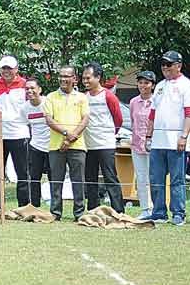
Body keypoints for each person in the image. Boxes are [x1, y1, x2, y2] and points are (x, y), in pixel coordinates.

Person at [144, 51, 189, 226]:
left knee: (177, 179)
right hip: (158, 140)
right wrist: (148, 136)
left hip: (176, 139)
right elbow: (152, 114)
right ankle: (159, 212)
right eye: (163, 64)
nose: (165, 67)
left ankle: (178, 213)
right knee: (156, 177)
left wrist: (184, 136)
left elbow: (188, 113)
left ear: (179, 65)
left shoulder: (186, 85)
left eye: (169, 64)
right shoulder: (161, 85)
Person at [44, 66, 89, 221]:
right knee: (56, 180)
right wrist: (66, 134)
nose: (63, 79)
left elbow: (85, 120)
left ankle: (79, 214)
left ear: (74, 79)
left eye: (67, 76)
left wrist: (70, 139)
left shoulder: (82, 97)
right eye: (61, 76)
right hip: (56, 146)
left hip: (77, 145)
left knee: (78, 181)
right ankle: (55, 213)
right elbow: (49, 120)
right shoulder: (50, 97)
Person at [0, 56, 30, 212]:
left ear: (16, 69)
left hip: (19, 133)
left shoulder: (25, 85)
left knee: (23, 172)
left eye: (9, 68)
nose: (6, 71)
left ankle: (24, 206)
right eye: (4, 68)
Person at [81, 62, 124, 213]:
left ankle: (118, 210)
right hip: (88, 144)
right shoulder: (84, 97)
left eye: (88, 78)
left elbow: (118, 119)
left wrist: (109, 134)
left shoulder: (108, 95)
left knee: (110, 177)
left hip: (106, 143)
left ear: (98, 77)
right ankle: (93, 209)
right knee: (90, 178)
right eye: (83, 78)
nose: (85, 81)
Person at [129, 71, 155, 219]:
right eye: (140, 82)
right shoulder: (133, 102)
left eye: (146, 83)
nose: (143, 85)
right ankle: (145, 209)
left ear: (152, 85)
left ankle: (157, 209)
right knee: (141, 177)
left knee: (154, 178)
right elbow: (133, 123)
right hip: (137, 145)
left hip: (153, 145)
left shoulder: (157, 101)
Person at [21, 78, 50, 207]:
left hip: (51, 147)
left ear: (40, 90)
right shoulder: (24, 108)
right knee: (34, 179)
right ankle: (35, 207)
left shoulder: (48, 103)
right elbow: (26, 125)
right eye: (27, 89)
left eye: (32, 88)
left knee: (53, 179)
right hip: (35, 146)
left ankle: (55, 208)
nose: (30, 91)